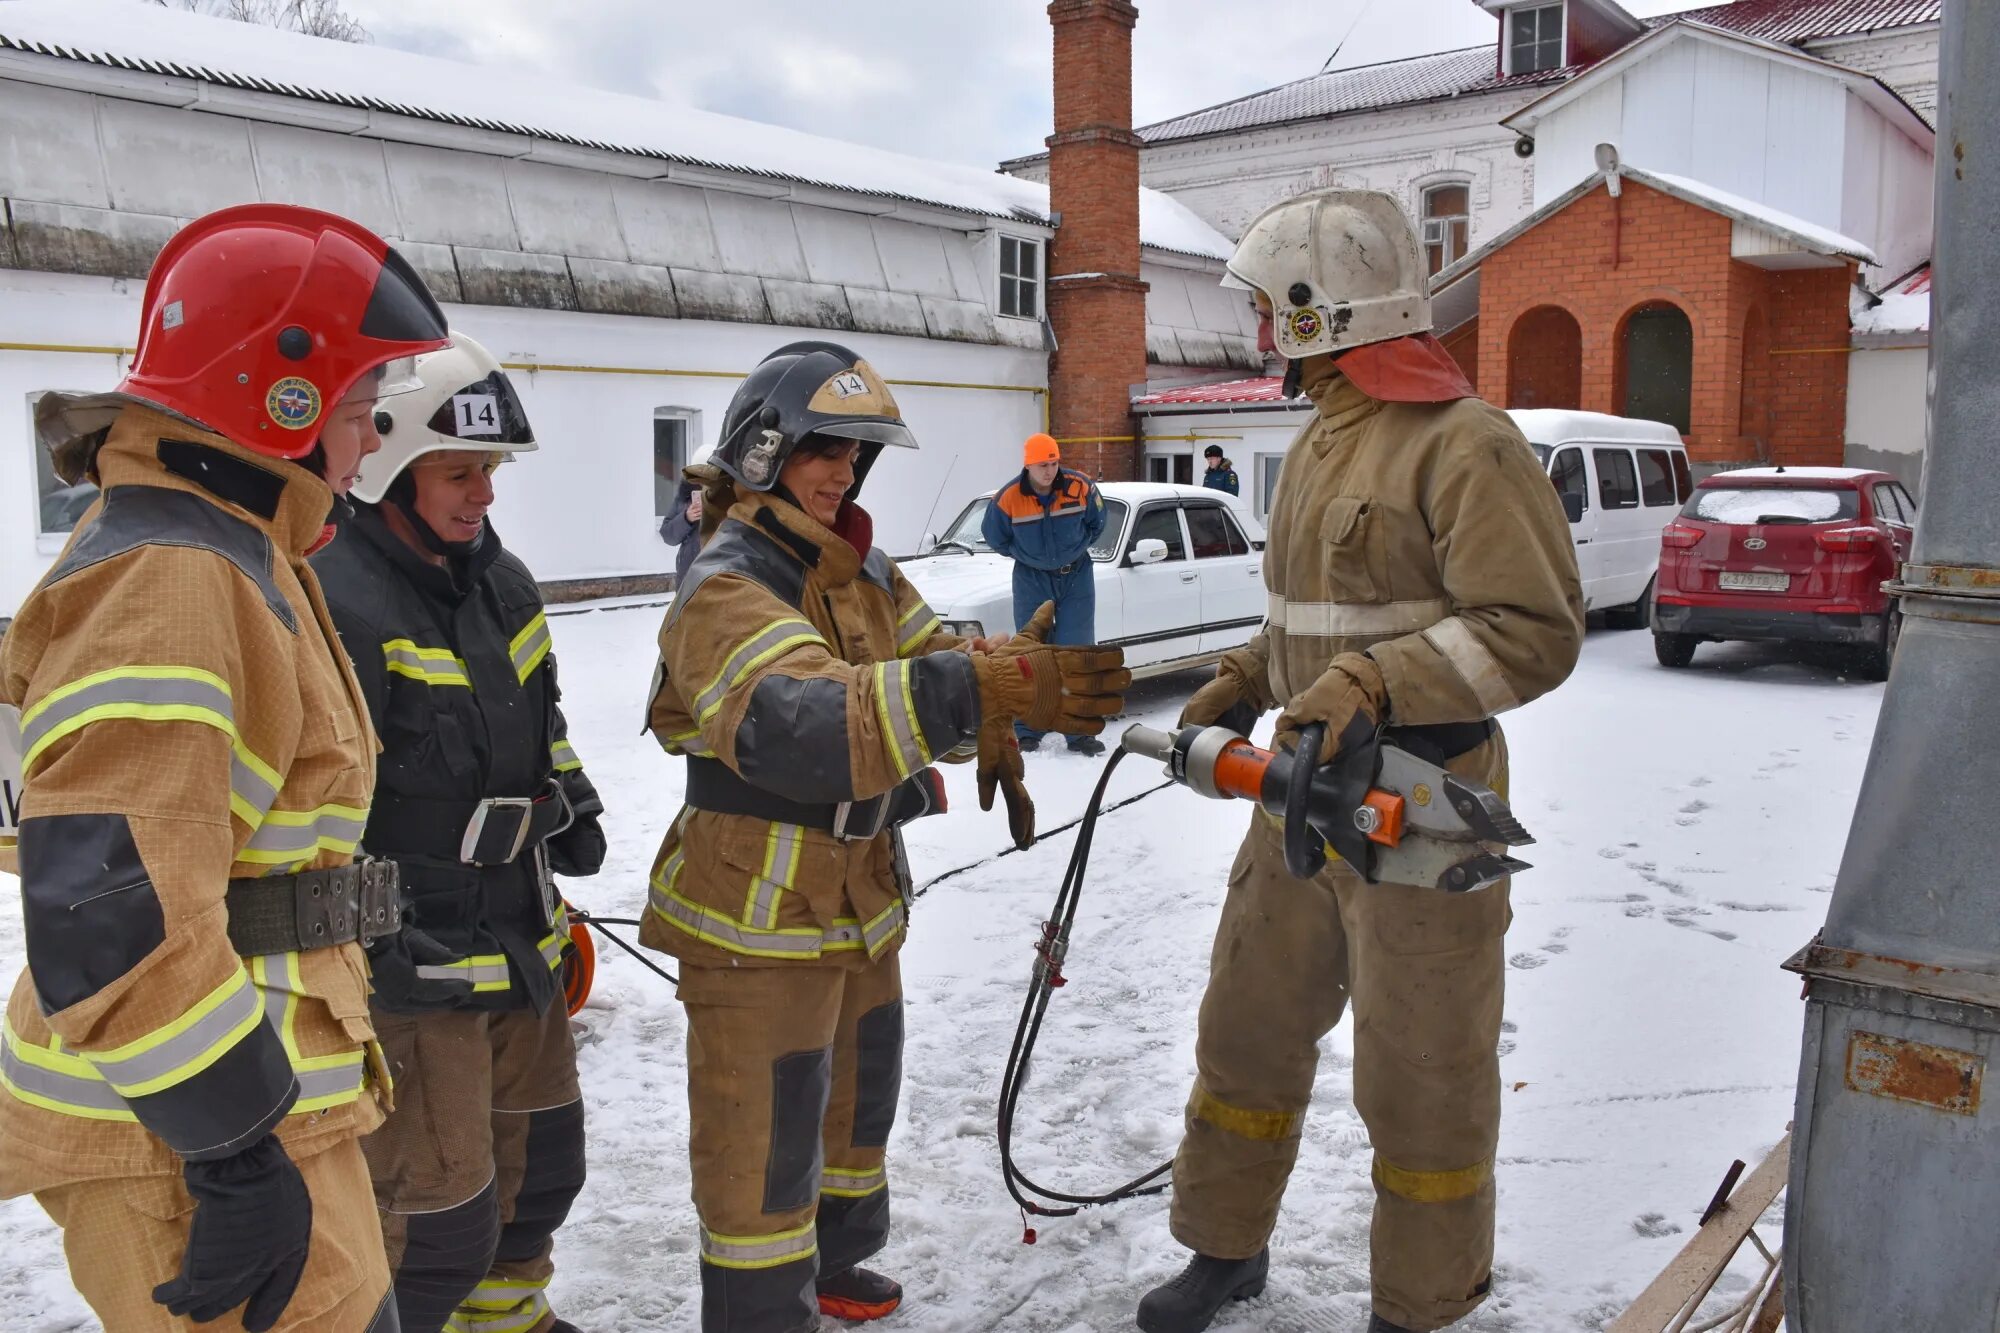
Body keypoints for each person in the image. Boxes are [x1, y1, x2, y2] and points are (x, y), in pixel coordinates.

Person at [1136, 189, 1584, 1333]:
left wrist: (1377, 684)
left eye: (1263, 308)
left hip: (1430, 805)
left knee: (1423, 1070)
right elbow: (1314, 617)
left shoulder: (1465, 441)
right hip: (1301, 792)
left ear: (1311, 310)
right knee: (1246, 1028)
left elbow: (1531, 629)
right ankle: (1222, 1249)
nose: (1252, 331)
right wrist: (1249, 672)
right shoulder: (1326, 433)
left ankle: (1419, 1303)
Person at [0, 203, 450, 1331]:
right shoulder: (175, 574)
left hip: (240, 1098)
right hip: (182, 1135)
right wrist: (232, 1151)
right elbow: (112, 904)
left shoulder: (239, 542)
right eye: (361, 404)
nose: (367, 437)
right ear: (279, 397)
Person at [639, 340, 1128, 1333]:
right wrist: (962, 691)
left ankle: (835, 1263)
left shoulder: (857, 568)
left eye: (857, 456)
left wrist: (994, 677)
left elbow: (922, 656)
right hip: (756, 909)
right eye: (826, 449)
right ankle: (758, 1315)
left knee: (856, 1099)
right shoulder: (727, 580)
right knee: (762, 1141)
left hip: (856, 894)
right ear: (767, 448)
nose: (843, 474)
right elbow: (801, 718)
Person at [312, 333, 606, 1333]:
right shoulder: (335, 598)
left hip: (518, 937)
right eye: (459, 470)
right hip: (412, 965)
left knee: (542, 1173)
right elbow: (316, 805)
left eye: (488, 470)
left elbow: (541, 721)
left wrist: (574, 800)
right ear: (389, 465)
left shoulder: (501, 579)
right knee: (434, 1216)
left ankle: (510, 1322)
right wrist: (373, 934)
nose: (482, 493)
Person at [980, 432, 1110, 755]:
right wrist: (1029, 558)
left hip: (1076, 577)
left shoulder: (1080, 488)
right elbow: (994, 536)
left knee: (1077, 654)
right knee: (1031, 654)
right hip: (1031, 580)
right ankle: (1028, 729)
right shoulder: (1008, 497)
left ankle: (1079, 732)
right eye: (1042, 465)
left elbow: (1098, 522)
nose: (1050, 471)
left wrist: (1075, 550)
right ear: (1028, 466)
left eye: (1053, 463)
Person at [661, 480, 705, 588]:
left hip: (718, 570)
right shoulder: (684, 497)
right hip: (688, 573)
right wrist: (686, 518)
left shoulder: (725, 494)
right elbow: (668, 535)